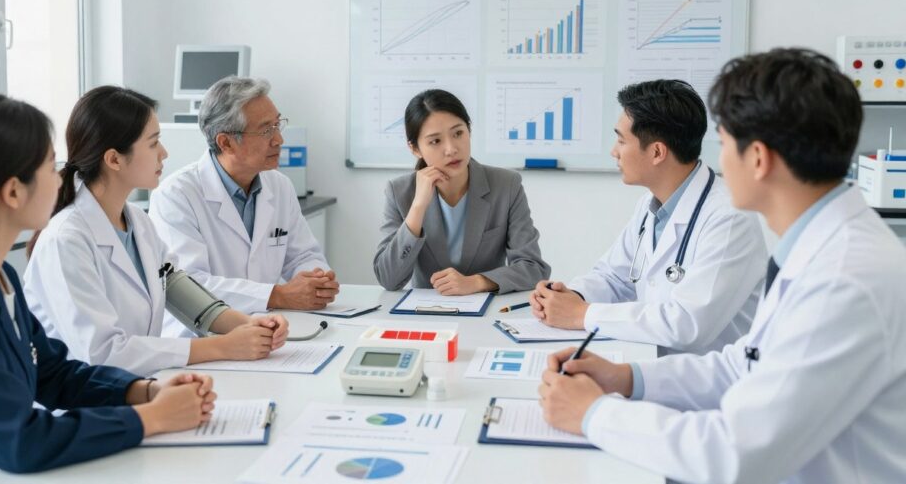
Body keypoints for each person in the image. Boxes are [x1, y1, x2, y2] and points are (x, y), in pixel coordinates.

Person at [538, 48, 906, 484]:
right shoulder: (820, 247)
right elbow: (745, 363)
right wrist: (625, 377)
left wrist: (593, 414)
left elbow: (736, 454)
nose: (717, 161)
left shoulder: (843, 279)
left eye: (726, 143)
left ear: (758, 158)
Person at [0, 94, 216, 483]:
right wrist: (151, 419)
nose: (61, 179)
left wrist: (143, 392)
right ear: (12, 192)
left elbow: (53, 373)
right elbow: (19, 441)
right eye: (48, 167)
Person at [24, 86, 288, 376]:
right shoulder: (67, 240)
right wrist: (224, 346)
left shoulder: (137, 221)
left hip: (136, 386)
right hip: (84, 405)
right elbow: (103, 352)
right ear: (114, 159)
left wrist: (248, 326)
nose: (164, 153)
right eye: (153, 143)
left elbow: (174, 286)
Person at [530, 80, 766, 354]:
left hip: (710, 383)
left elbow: (688, 324)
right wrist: (571, 297)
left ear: (656, 152)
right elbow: (613, 277)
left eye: (621, 140)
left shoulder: (729, 217)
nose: (613, 151)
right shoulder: (651, 205)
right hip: (654, 363)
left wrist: (582, 314)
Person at [149, 77, 339, 323]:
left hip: (269, 329)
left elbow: (303, 255)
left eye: (277, 125)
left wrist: (316, 280)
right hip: (202, 339)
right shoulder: (176, 195)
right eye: (265, 130)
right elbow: (190, 285)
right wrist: (277, 295)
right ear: (226, 142)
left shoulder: (279, 186)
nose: (279, 139)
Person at [374, 89, 550, 294]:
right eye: (435, 141)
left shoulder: (506, 185)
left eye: (458, 133)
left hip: (487, 311)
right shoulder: (399, 192)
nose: (451, 149)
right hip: (426, 314)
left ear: (469, 131)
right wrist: (418, 207)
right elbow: (388, 279)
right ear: (415, 149)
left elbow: (533, 268)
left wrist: (477, 282)